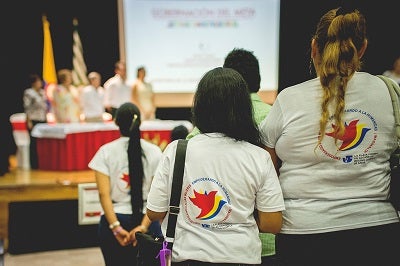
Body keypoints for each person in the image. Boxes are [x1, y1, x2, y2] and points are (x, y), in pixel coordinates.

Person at [259, 7, 400, 266]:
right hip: (379, 234)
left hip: (303, 237)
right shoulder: (390, 92)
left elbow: (266, 167)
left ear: (314, 47)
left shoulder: (289, 100)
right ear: (363, 48)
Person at [146, 67, 284, 265]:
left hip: (187, 258)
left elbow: (154, 212)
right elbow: (272, 223)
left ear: (199, 106)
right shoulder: (259, 157)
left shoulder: (177, 150)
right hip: (241, 257)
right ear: (244, 108)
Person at [186, 48, 276, 265]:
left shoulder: (199, 133)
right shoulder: (276, 117)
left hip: (206, 241)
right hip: (266, 241)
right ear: (259, 80)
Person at [88, 102, 163, 266]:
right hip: (148, 221)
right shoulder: (155, 152)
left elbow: (103, 194)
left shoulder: (105, 152)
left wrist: (115, 227)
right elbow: (158, 195)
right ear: (140, 123)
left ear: (116, 122)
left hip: (114, 220)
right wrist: (142, 228)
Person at [23, 74, 47, 169]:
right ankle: (34, 164)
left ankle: (43, 162)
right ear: (33, 83)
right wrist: (28, 121)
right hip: (33, 119)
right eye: (38, 81)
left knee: (43, 142)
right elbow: (27, 108)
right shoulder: (29, 92)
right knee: (34, 142)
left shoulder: (42, 92)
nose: (40, 83)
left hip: (42, 118)